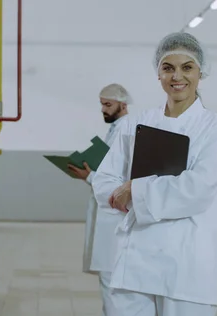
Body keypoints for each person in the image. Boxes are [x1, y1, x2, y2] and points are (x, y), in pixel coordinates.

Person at [91, 32, 217, 316]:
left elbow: (197, 190)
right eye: (168, 68)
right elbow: (105, 179)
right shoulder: (136, 123)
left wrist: (134, 191)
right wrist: (120, 193)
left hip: (188, 263)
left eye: (187, 67)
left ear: (200, 73)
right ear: (158, 73)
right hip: (135, 261)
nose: (177, 76)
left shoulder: (215, 128)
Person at [67, 83, 131, 315]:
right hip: (107, 213)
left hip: (114, 217)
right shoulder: (116, 129)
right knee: (109, 279)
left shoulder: (126, 131)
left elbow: (120, 177)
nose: (103, 109)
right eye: (101, 104)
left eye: (108, 104)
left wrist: (90, 176)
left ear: (123, 105)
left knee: (111, 279)